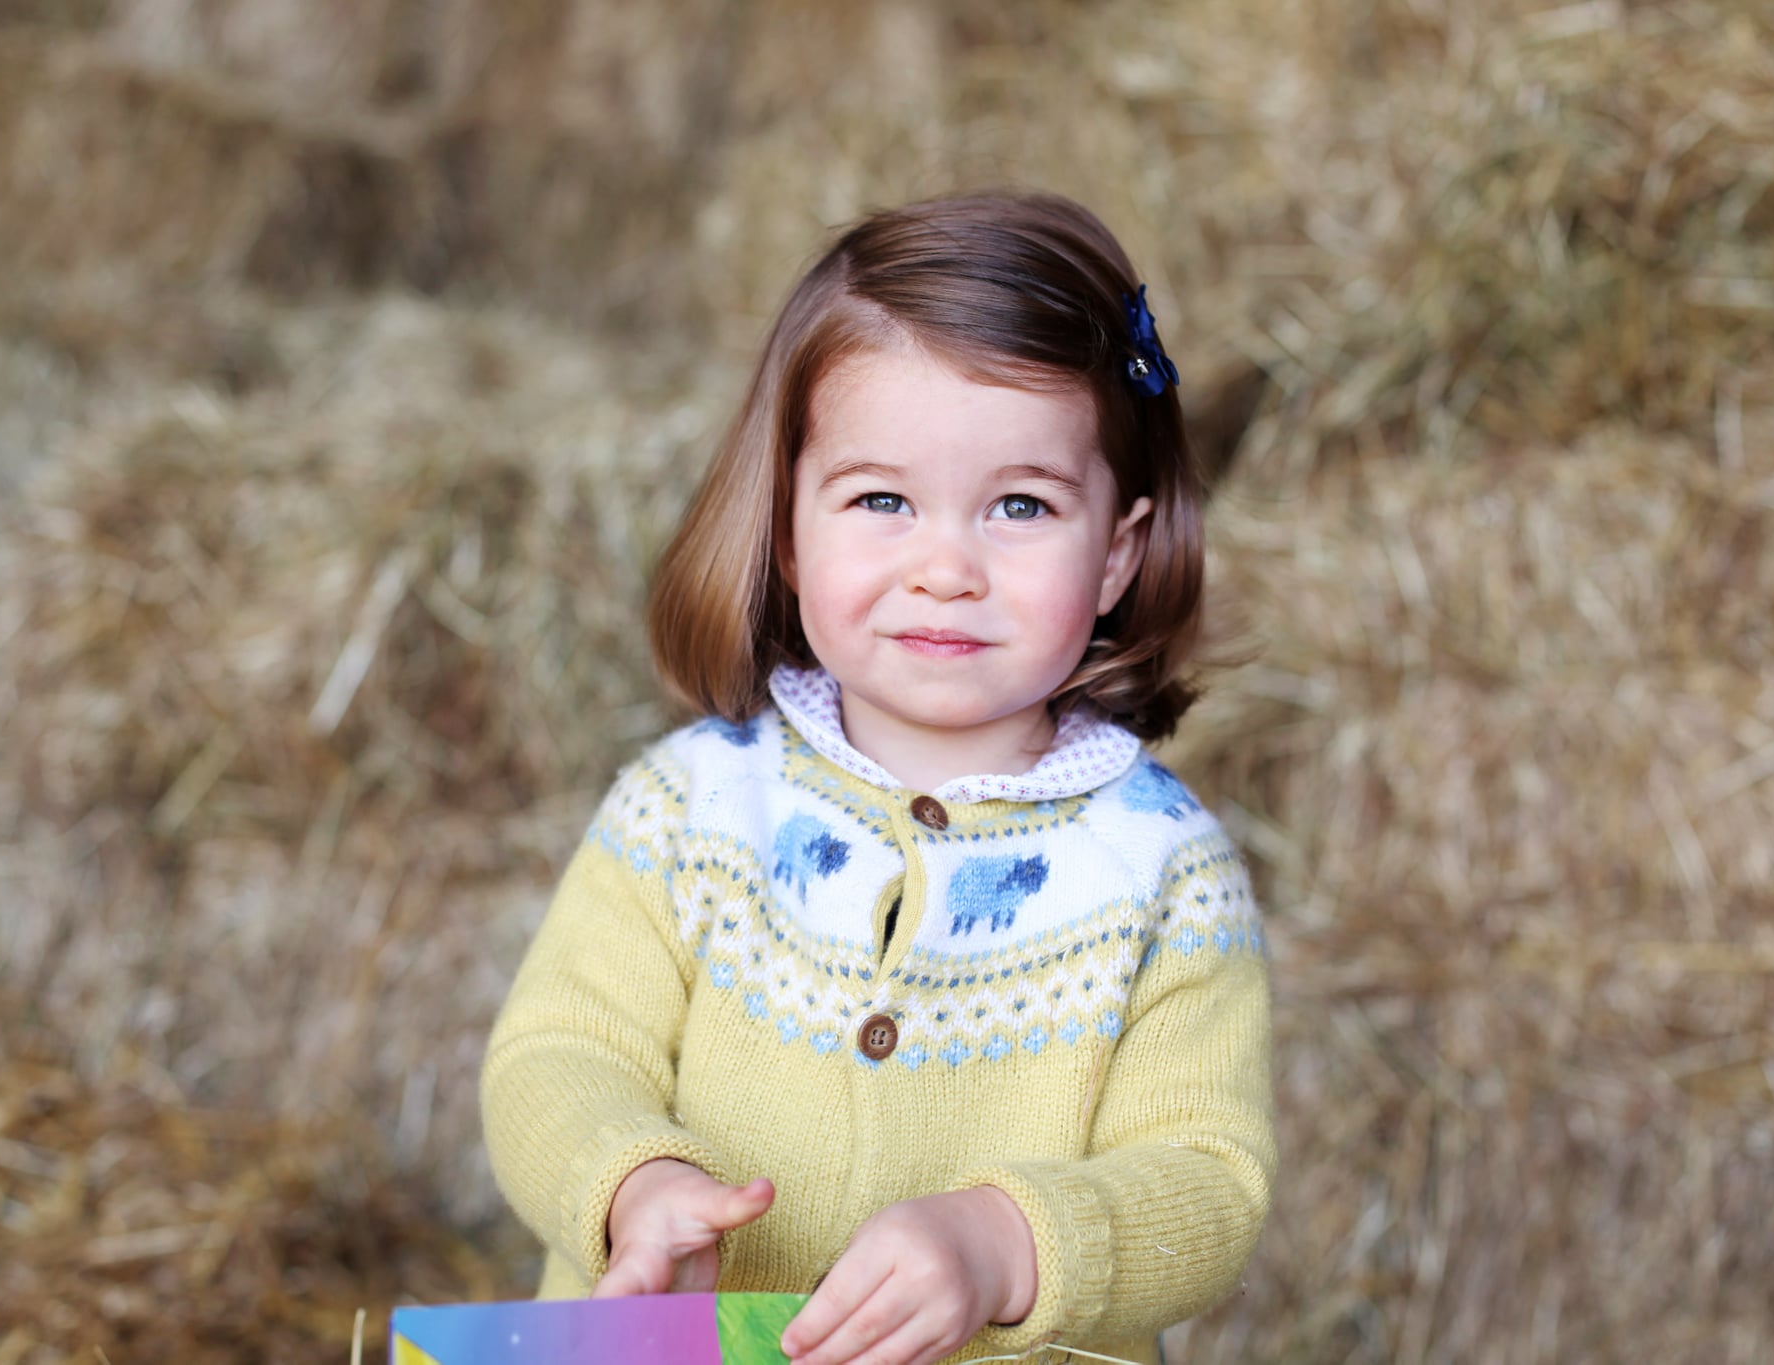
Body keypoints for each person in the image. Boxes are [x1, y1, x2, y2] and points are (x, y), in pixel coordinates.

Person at [481, 191, 1276, 1365]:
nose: (945, 568)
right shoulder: (691, 808)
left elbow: (1208, 1180)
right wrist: (630, 1185)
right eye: (880, 500)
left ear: (1114, 552)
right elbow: (556, 1053)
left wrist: (1006, 1241)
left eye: (1019, 505)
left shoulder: (1161, 873)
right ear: (791, 532)